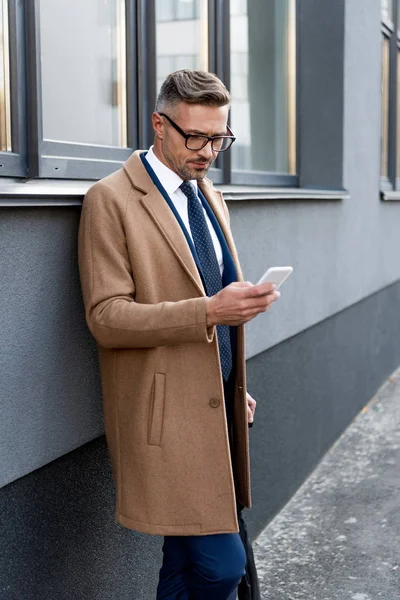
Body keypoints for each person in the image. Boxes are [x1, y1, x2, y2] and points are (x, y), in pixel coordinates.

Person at [78, 69, 280, 600]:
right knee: (220, 566)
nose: (208, 151)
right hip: (164, 417)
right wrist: (209, 311)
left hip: (216, 405)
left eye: (220, 138)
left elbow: (213, 293)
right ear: (158, 125)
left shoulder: (209, 194)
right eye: (196, 137)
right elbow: (106, 316)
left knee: (183, 561)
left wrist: (232, 380)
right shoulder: (112, 199)